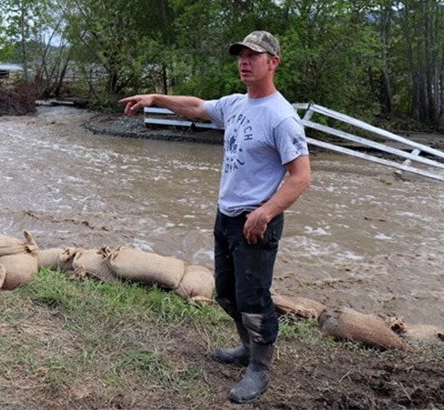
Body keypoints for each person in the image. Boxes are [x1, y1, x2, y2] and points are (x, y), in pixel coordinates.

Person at [119, 31, 311, 404]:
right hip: (226, 216)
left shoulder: (282, 117)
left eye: (253, 55)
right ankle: (245, 348)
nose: (244, 61)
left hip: (256, 222)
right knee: (226, 294)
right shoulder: (237, 104)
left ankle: (260, 367)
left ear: (273, 62)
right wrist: (156, 98)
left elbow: (301, 176)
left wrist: (266, 212)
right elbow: (196, 107)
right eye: (240, 55)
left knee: (254, 299)